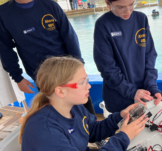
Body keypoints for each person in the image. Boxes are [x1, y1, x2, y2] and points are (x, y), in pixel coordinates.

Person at [0, 0, 95, 114]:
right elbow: (5, 48)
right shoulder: (2, 14)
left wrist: (79, 64)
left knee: (84, 105)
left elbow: (69, 37)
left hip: (67, 69)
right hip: (41, 75)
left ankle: (95, 132)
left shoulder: (51, 6)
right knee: (58, 111)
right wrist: (18, 77)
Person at [19, 57, 148, 151]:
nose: (89, 86)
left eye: (87, 80)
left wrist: (120, 116)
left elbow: (91, 131)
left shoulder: (74, 107)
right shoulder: (46, 132)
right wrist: (123, 137)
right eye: (82, 82)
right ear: (60, 91)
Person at [94, 0, 162, 113]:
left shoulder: (141, 19)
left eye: (131, 4)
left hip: (144, 95)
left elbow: (149, 56)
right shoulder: (103, 25)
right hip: (118, 99)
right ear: (108, 4)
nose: (128, 11)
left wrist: (152, 86)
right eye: (121, 7)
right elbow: (107, 68)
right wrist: (131, 92)